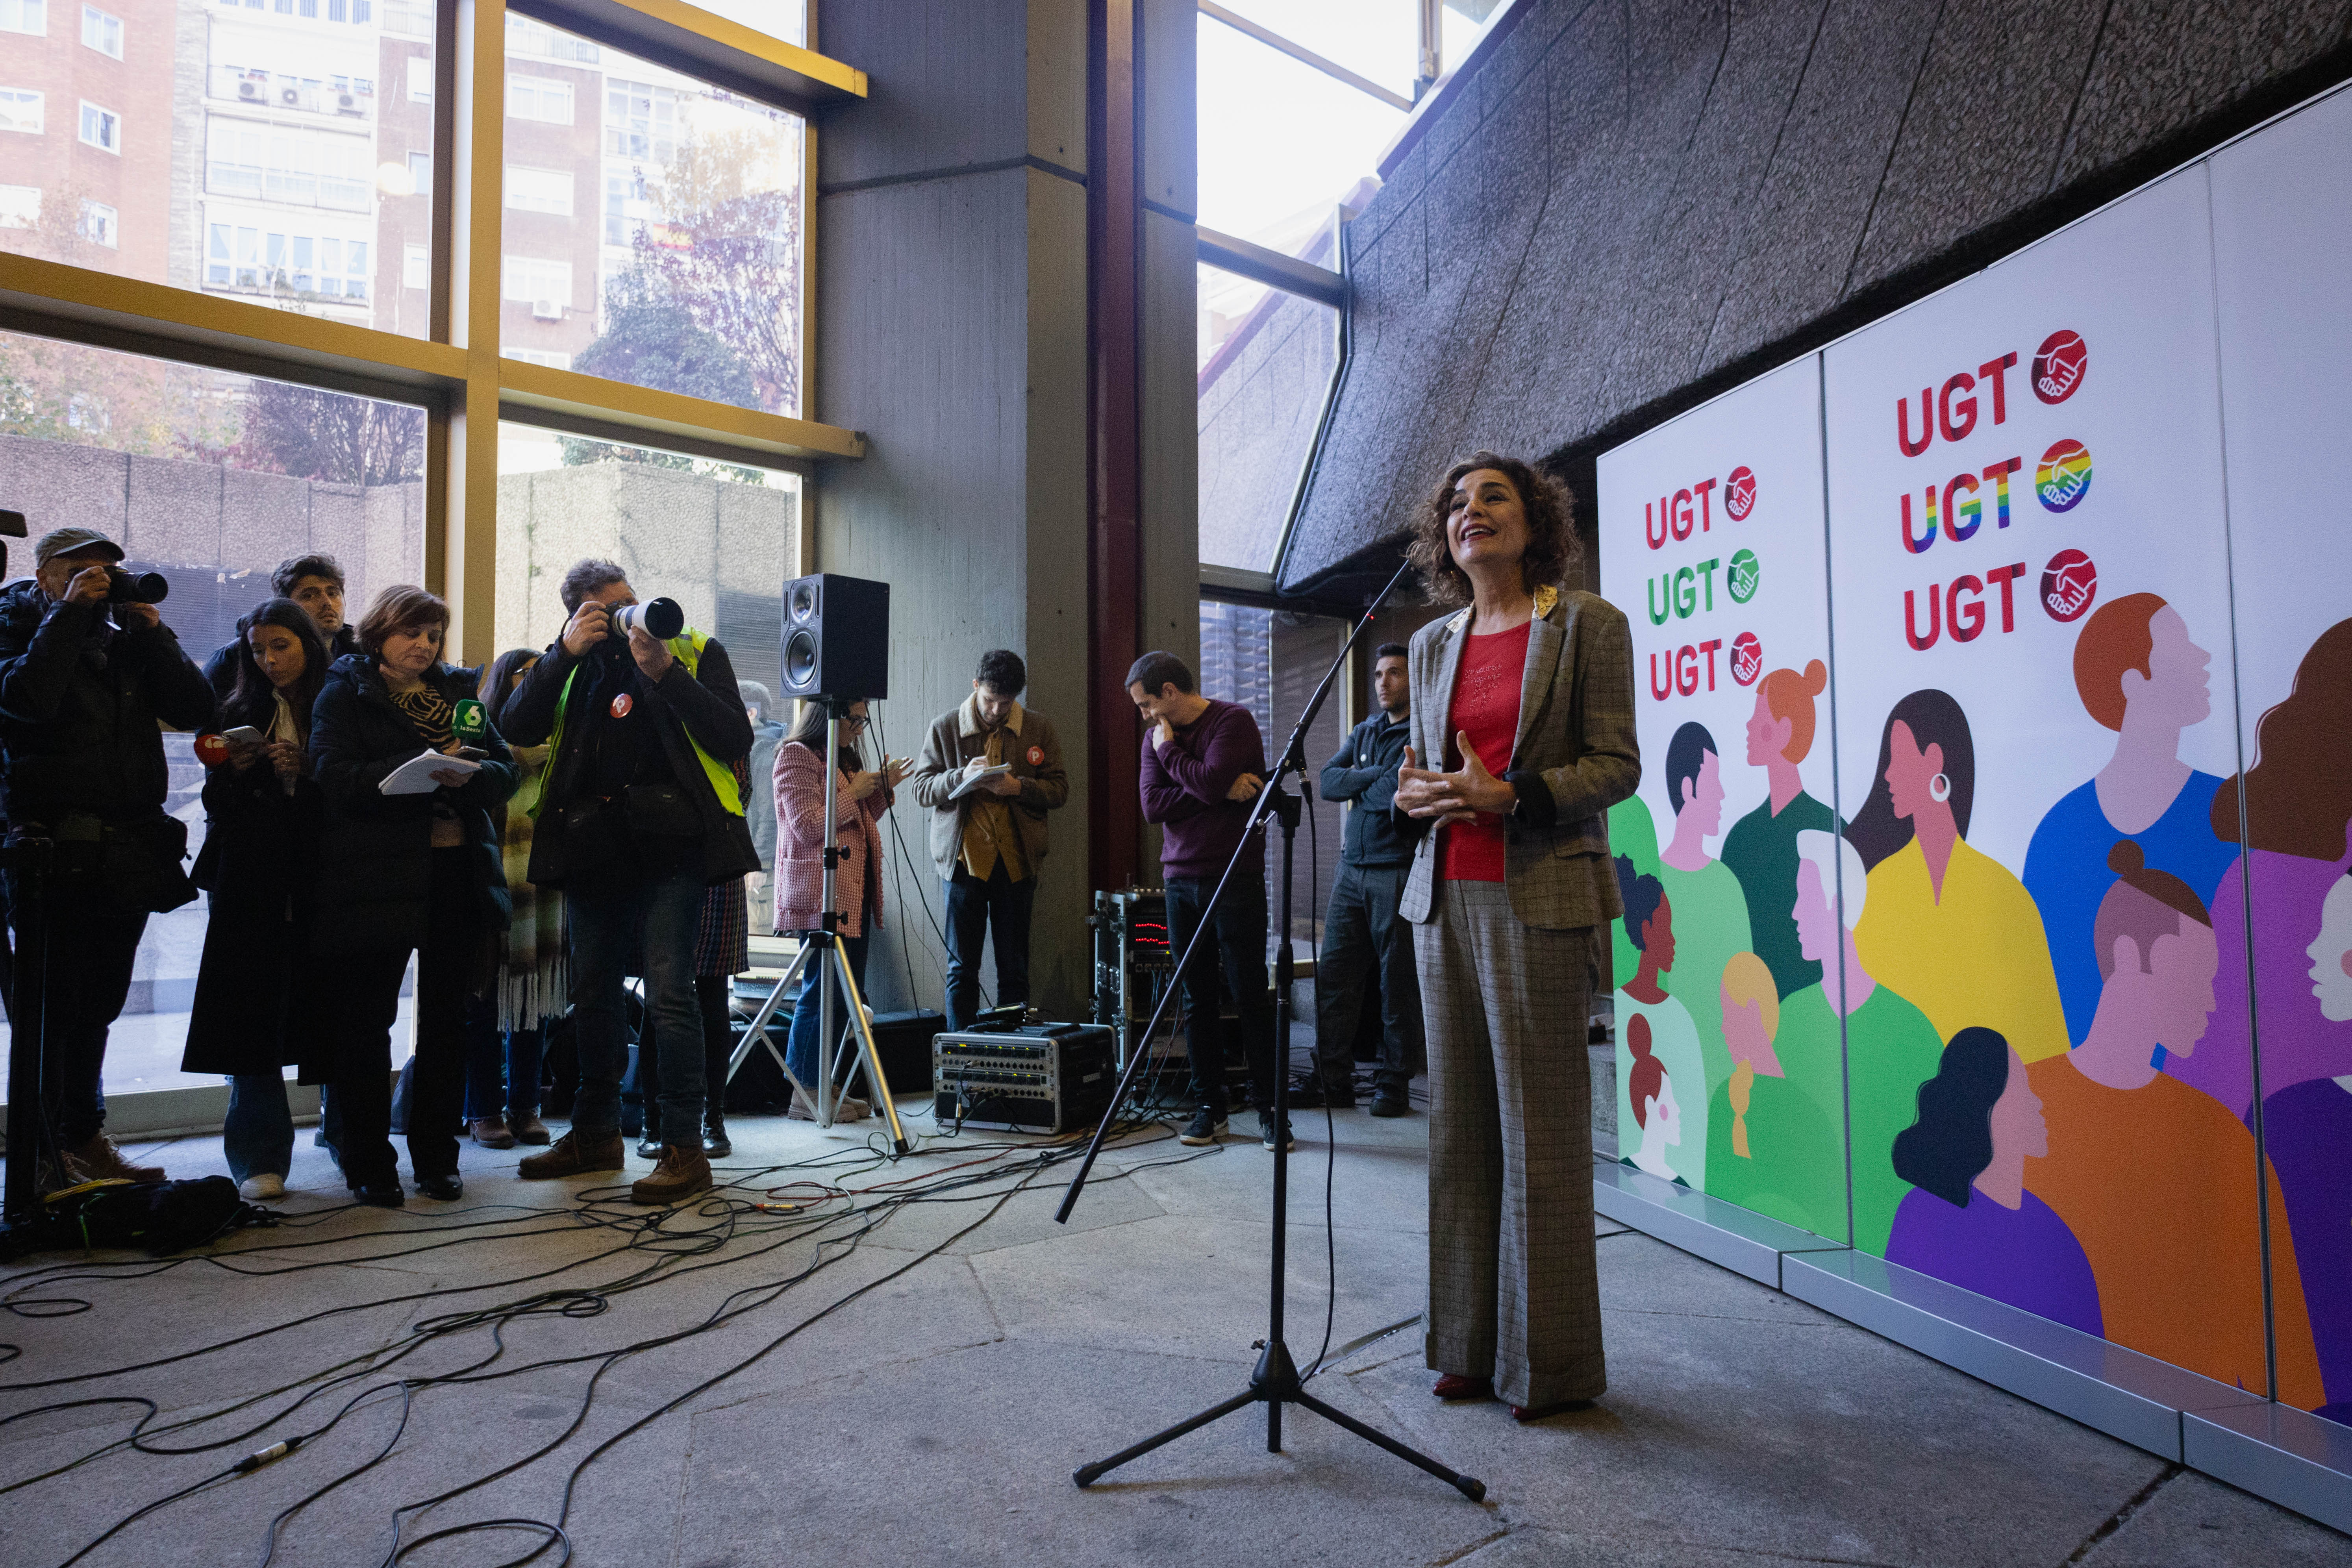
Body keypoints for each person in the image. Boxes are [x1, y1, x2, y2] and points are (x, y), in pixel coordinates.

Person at [1393, 451, 1638, 1422]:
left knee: (1540, 1136)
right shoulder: (1430, 643)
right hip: (1443, 900)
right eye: (1455, 502)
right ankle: (1463, 1345)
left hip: (1538, 893)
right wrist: (1417, 794)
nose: (1471, 512)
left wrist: (1516, 794)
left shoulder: (1585, 625)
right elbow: (1423, 773)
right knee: (1458, 1133)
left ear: (1533, 521)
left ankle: (1548, 1367)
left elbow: (1613, 765)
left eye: (1492, 497)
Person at [2024, 841, 2324, 1405]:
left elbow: (2289, 1377)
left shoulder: (2226, 1143)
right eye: (2196, 974)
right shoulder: (2025, 1107)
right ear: (2133, 958)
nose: (2211, 1000)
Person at [500, 560, 758, 1205]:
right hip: (594, 847)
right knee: (592, 991)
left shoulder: (692, 652)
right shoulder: (569, 664)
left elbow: (733, 733)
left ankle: (682, 1145)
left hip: (674, 846)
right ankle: (595, 1132)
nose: (626, 617)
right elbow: (515, 726)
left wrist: (663, 672)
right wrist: (563, 652)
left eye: (631, 602)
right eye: (607, 609)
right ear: (577, 614)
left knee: (671, 990)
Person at [0, 526, 217, 1187]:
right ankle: (38, 1153)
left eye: (106, 570)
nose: (99, 580)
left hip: (126, 849)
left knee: (98, 1004)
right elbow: (23, 703)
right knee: (49, 1009)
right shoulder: (15, 627)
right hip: (53, 849)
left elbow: (197, 708)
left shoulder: (123, 644)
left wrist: (153, 632)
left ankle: (82, 1139)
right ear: (45, 576)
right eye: (81, 569)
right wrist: (68, 613)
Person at [310, 586, 517, 1207]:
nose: (424, 646)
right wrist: (417, 765)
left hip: (455, 871)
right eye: (412, 633)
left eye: (433, 635)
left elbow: (505, 769)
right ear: (379, 633)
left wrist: (472, 774)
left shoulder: (457, 693)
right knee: (368, 1022)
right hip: (375, 876)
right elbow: (331, 774)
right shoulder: (345, 690)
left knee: (446, 1024)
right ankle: (369, 1159)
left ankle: (436, 1157)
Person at [2023, 595, 2236, 1045]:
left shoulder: (2228, 811)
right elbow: (2046, 998)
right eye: (2180, 646)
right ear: (2134, 683)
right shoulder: (2059, 836)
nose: (2203, 658)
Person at [180, 600, 333, 1200]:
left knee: (333, 1011)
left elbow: (353, 792)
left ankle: (348, 1139)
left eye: (281, 646)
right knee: (249, 1012)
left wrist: (309, 769)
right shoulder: (236, 708)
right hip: (249, 879)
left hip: (321, 876)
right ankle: (259, 1155)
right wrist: (238, 768)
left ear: (307, 646)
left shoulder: (337, 704)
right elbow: (215, 806)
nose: (270, 660)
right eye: (259, 649)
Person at [1849, 690, 2067, 1063]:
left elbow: (2046, 1050)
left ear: (1934, 759)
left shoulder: (2005, 894)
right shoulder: (1877, 892)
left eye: (1898, 757)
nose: (1886, 774)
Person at [1128, 649, 1276, 1149]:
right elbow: (1153, 806)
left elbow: (1208, 782)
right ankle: (1209, 1108)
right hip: (1180, 881)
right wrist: (1215, 790)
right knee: (1196, 1000)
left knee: (1250, 993)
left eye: (1148, 703)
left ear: (1170, 692)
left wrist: (1177, 760)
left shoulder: (1233, 721)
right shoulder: (1154, 736)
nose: (1146, 716)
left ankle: (1271, 1110)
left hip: (1235, 875)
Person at [1886, 1028, 2104, 1338]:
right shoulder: (1922, 1213)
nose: (2038, 1103)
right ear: (1985, 1105)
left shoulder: (2055, 1234)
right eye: (2024, 1089)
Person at [1786, 828, 1943, 1258]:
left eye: (1806, 896)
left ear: (1838, 904)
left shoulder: (1911, 1029)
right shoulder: (1792, 1019)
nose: (1795, 912)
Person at [908, 649, 1070, 1030]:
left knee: (1014, 970)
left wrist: (1018, 786)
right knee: (961, 968)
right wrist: (959, 777)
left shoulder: (1037, 728)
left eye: (1006, 702)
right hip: (963, 863)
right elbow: (920, 789)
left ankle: (1011, 1066)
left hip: (1017, 863)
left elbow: (1060, 790)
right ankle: (960, 1065)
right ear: (976, 685)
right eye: (989, 700)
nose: (997, 710)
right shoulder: (945, 726)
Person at [1301, 641, 1421, 1115]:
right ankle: (1332, 1078)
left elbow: (1398, 795)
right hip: (1351, 871)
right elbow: (1329, 782)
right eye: (1377, 675)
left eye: (1394, 673)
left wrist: (1368, 781)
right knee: (1334, 975)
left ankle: (1394, 1081)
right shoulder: (1366, 728)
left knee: (1397, 982)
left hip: (1396, 868)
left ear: (1414, 679)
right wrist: (1375, 777)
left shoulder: (1424, 732)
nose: (1383, 683)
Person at [774, 697, 905, 1119]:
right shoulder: (795, 755)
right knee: (819, 991)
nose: (859, 728)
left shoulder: (843, 759)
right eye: (854, 719)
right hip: (819, 893)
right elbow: (808, 825)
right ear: (827, 714)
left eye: (863, 720)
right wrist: (855, 791)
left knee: (844, 996)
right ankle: (803, 1090)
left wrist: (881, 788)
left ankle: (823, 1082)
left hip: (852, 891)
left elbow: (859, 820)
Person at [465, 647, 562, 1151]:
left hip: (546, 894)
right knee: (483, 1004)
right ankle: (483, 1109)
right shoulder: (480, 741)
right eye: (524, 677)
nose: (533, 687)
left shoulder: (562, 743)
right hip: (492, 888)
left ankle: (527, 1106)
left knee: (536, 1004)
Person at [1720, 660, 1839, 1000]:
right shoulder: (1740, 839)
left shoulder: (1827, 831)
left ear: (1783, 731)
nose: (1748, 725)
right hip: (1755, 1011)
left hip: (1818, 1013)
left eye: (1759, 717)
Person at [1701, 950, 1843, 1237]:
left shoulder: (1799, 1112)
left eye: (1729, 1013)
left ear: (1753, 1012)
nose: (1723, 1027)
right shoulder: (1727, 1100)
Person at [1653, 721, 1752, 1101]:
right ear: (1688, 789)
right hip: (1671, 1076)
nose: (1723, 794)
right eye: (1714, 781)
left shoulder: (1727, 884)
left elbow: (1746, 992)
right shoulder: (1655, 885)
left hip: (1727, 1077)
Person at [1612, 856, 1709, 1191]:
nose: (1674, 940)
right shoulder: (1663, 1013)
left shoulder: (1677, 1015)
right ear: (1647, 930)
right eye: (1666, 929)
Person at [202, 553, 361, 698]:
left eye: (333, 593)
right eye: (309, 595)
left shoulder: (359, 653)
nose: (327, 603)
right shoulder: (232, 660)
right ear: (285, 606)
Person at [1619, 1015, 1686, 1185]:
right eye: (1668, 1101)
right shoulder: (1626, 1171)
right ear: (1650, 1105)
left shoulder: (1681, 1185)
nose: (1677, 1109)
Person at [741, 681, 785, 925]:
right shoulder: (752, 747)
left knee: (759, 934)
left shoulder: (765, 750)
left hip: (761, 866)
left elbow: (771, 812)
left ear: (751, 712)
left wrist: (758, 863)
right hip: (752, 861)